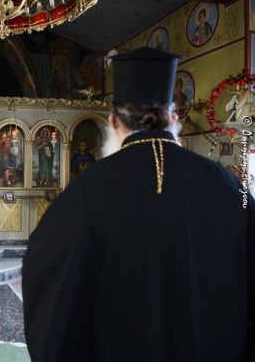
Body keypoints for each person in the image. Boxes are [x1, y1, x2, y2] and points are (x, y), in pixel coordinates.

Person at [23, 47, 254, 362]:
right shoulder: (229, 187)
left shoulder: (87, 190)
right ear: (175, 118)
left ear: (113, 121)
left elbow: (45, 274)